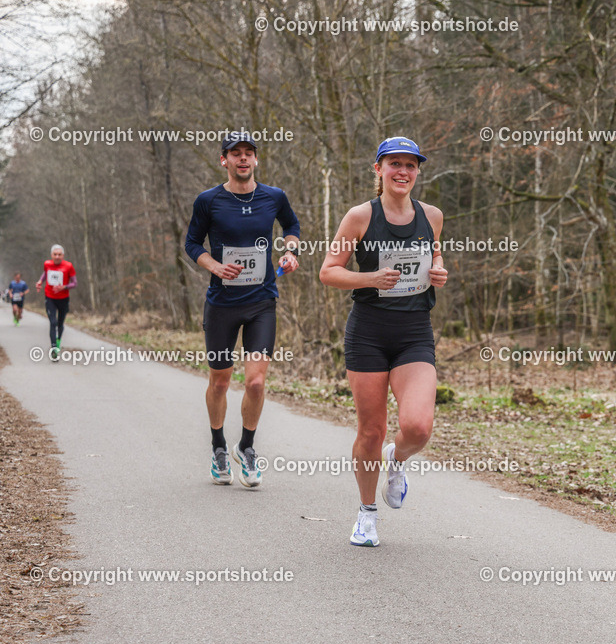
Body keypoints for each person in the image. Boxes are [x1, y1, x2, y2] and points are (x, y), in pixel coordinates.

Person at [319, 136, 448, 547]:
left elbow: (435, 256)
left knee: (418, 427)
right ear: (378, 169)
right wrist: (370, 279)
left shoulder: (432, 216)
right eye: (394, 163)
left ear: (417, 172)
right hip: (369, 332)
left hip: (414, 332)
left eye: (410, 165)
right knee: (371, 431)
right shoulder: (359, 217)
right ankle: (367, 514)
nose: (403, 172)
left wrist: (440, 271)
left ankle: (399, 458)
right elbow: (328, 271)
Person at [184, 131, 300, 488]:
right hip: (222, 304)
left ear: (256, 159)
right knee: (220, 381)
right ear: (224, 160)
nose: (243, 159)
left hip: (262, 302)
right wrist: (214, 266)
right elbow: (191, 242)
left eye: (249, 152)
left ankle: (246, 448)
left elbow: (292, 226)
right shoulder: (209, 200)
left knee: (255, 381)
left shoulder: (274, 197)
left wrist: (291, 250)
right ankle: (219, 447)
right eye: (236, 154)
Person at [35, 245, 76, 359]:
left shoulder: (68, 266)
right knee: (52, 323)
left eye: (59, 254)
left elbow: (75, 283)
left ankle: (58, 341)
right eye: (55, 254)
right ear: (51, 255)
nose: (57, 257)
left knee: (60, 323)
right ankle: (54, 349)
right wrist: (40, 281)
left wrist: (64, 287)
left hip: (63, 299)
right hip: (50, 297)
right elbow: (45, 274)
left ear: (63, 255)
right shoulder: (47, 264)